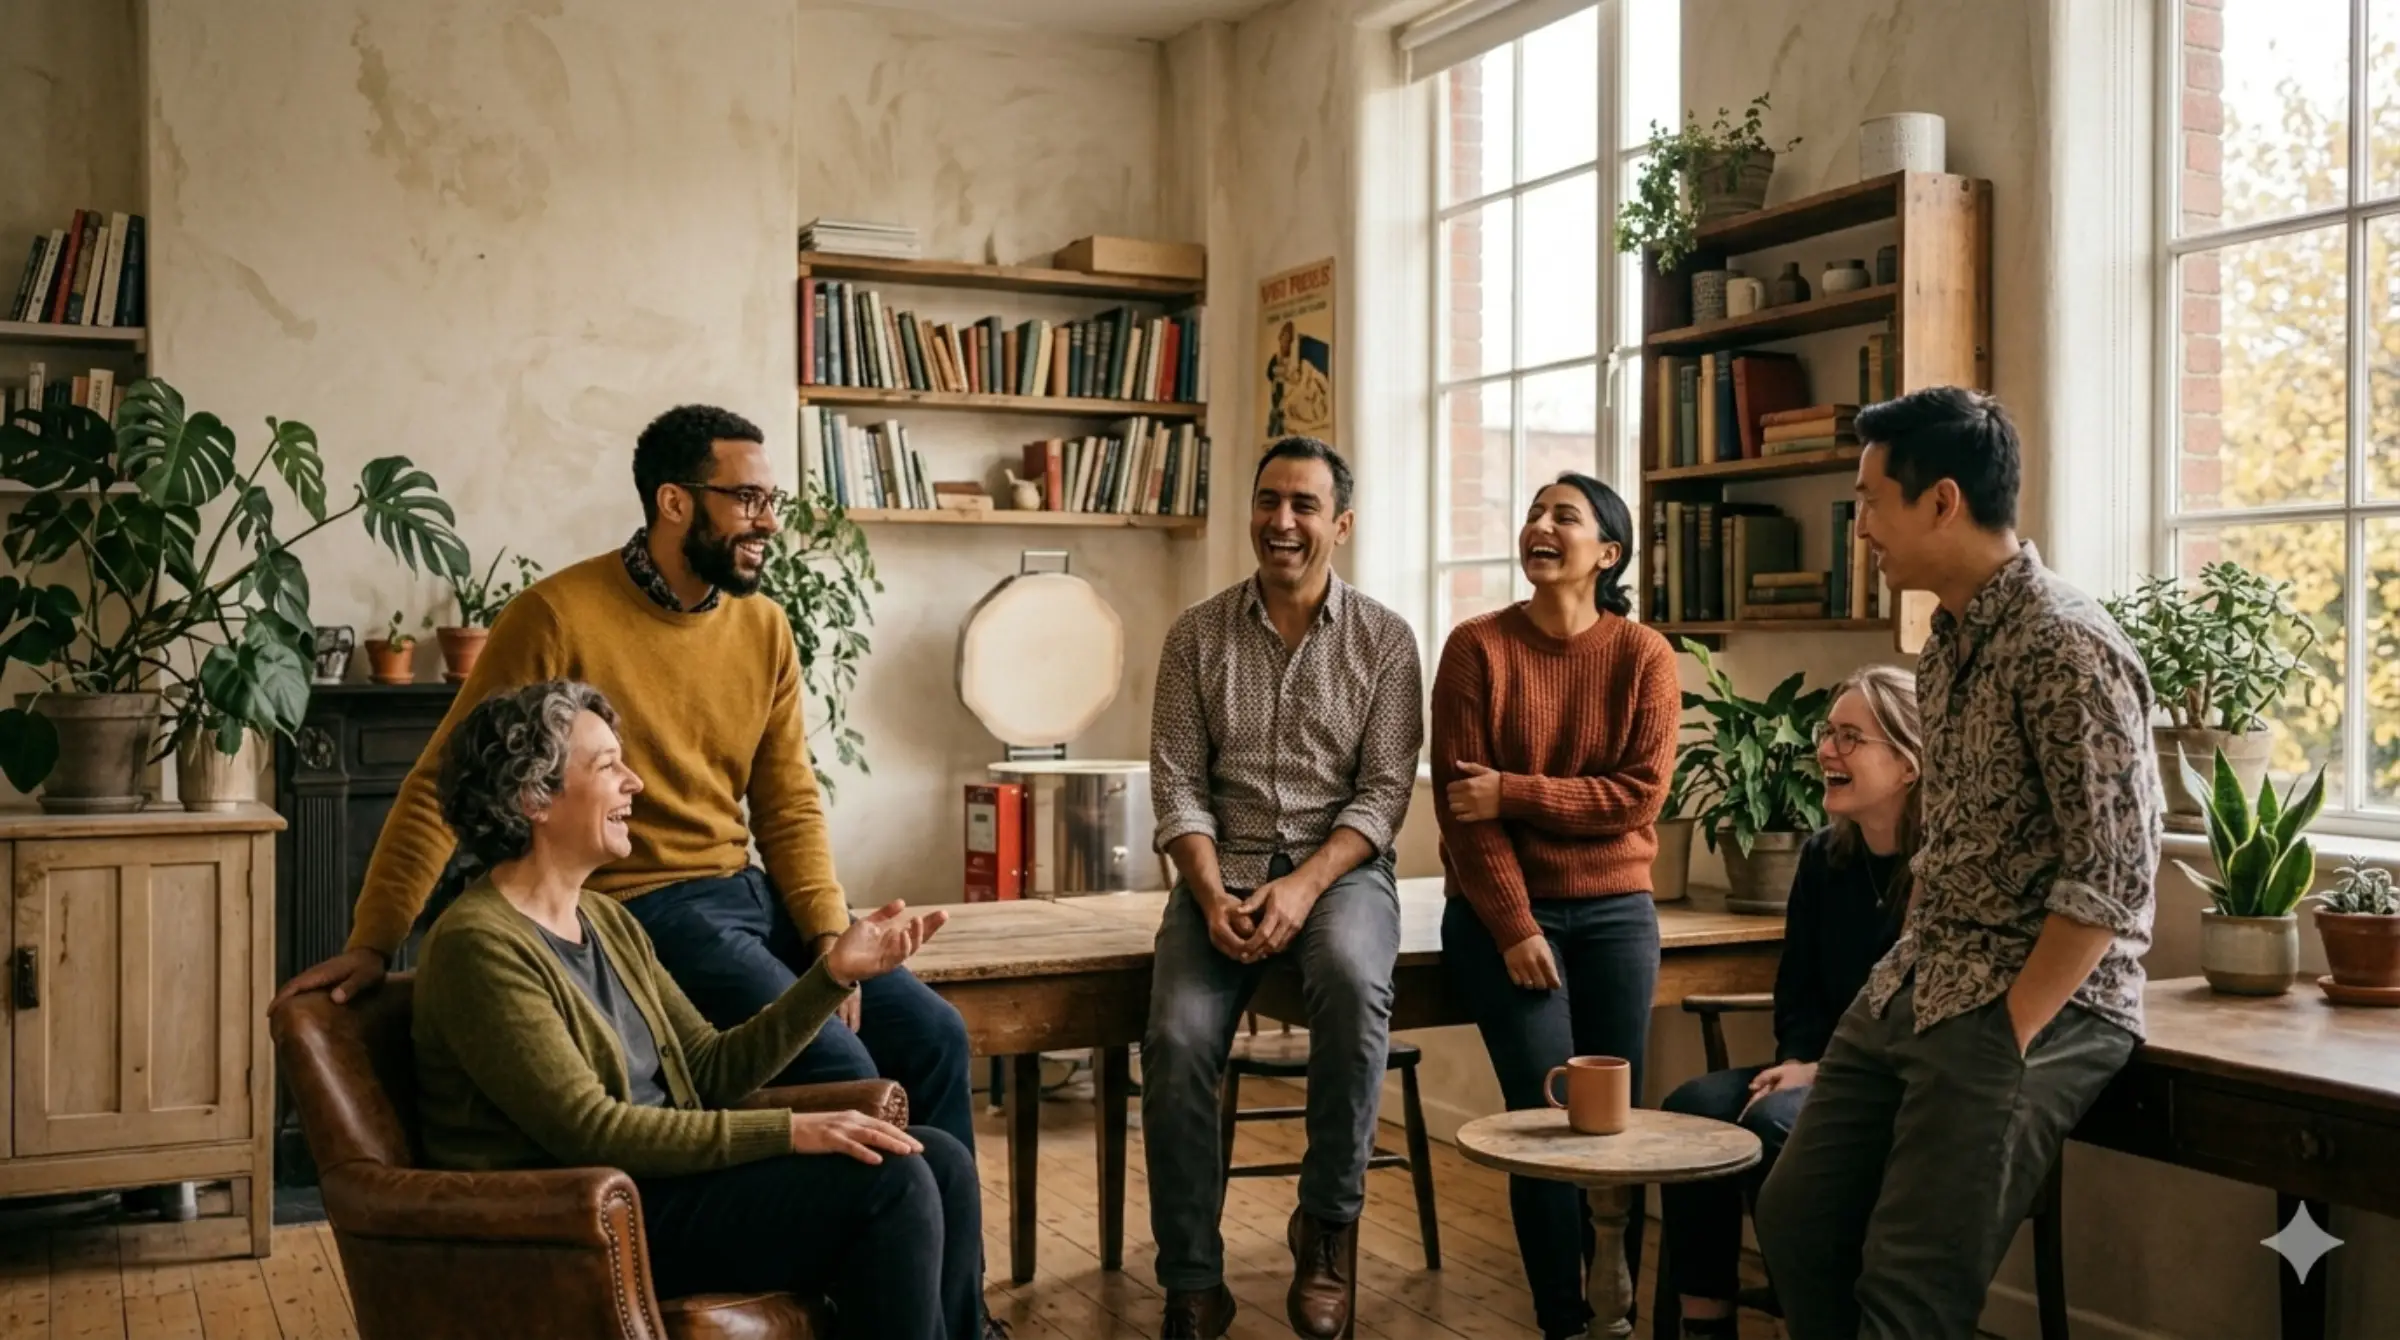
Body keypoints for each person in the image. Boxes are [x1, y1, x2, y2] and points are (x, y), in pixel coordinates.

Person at [270, 404, 977, 1159]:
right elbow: (439, 784)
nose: (769, 522)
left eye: (773, 501)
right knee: (842, 1066)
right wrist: (375, 940)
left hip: (748, 890)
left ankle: (944, 1278)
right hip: (646, 910)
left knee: (936, 1036)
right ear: (675, 502)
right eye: (748, 499)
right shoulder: (555, 616)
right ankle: (854, 1247)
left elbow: (788, 800)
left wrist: (827, 931)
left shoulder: (764, 627)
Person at [1755, 388, 2163, 1340]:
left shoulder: (2066, 643)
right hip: (1916, 982)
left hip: (2031, 1006)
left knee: (1908, 1293)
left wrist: (2008, 1030)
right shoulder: (1945, 646)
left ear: (1942, 501)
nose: (1860, 529)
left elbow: (2111, 874)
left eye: (1871, 501)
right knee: (1797, 1220)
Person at [410, 680, 980, 1340]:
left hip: (660, 1187)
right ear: (534, 796)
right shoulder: (478, 945)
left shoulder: (604, 919)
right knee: (894, 1185)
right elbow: (590, 1130)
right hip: (580, 1215)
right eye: (607, 766)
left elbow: (708, 1066)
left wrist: (830, 977)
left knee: (938, 1158)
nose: (635, 784)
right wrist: (793, 1129)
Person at [1142, 436, 1424, 1340]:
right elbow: (1178, 782)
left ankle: (1328, 1230)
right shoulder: (1196, 635)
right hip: (1217, 872)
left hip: (1339, 871)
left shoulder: (1386, 641)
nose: (1282, 522)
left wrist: (1303, 888)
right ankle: (1193, 1280)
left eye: (1304, 505)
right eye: (1269, 502)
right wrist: (1208, 887)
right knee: (1178, 1039)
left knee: (1351, 979)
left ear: (1340, 523)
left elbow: (1384, 794)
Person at [1430, 473, 1679, 1340]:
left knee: (1617, 1131)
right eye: (1534, 511)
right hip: (1507, 918)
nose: (1539, 525)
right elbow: (1463, 815)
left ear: (1606, 553)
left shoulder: (1644, 655)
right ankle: (1564, 1323)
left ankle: (1619, 1312)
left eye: (1562, 517)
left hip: (1617, 915)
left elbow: (1638, 798)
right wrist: (1515, 926)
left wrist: (1516, 791)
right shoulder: (1475, 649)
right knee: (1541, 1129)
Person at [1658, 665, 1921, 1339]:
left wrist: (1820, 1072)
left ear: (1910, 762)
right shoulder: (1820, 860)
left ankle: (1805, 1316)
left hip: (1898, 1087)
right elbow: (1797, 992)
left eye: (1851, 738)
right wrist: (1799, 1056)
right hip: (1820, 1069)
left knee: (1776, 1120)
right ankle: (1705, 1324)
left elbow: (1914, 1020)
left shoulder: (1944, 873)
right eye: (1826, 733)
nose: (1826, 751)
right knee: (1691, 1110)